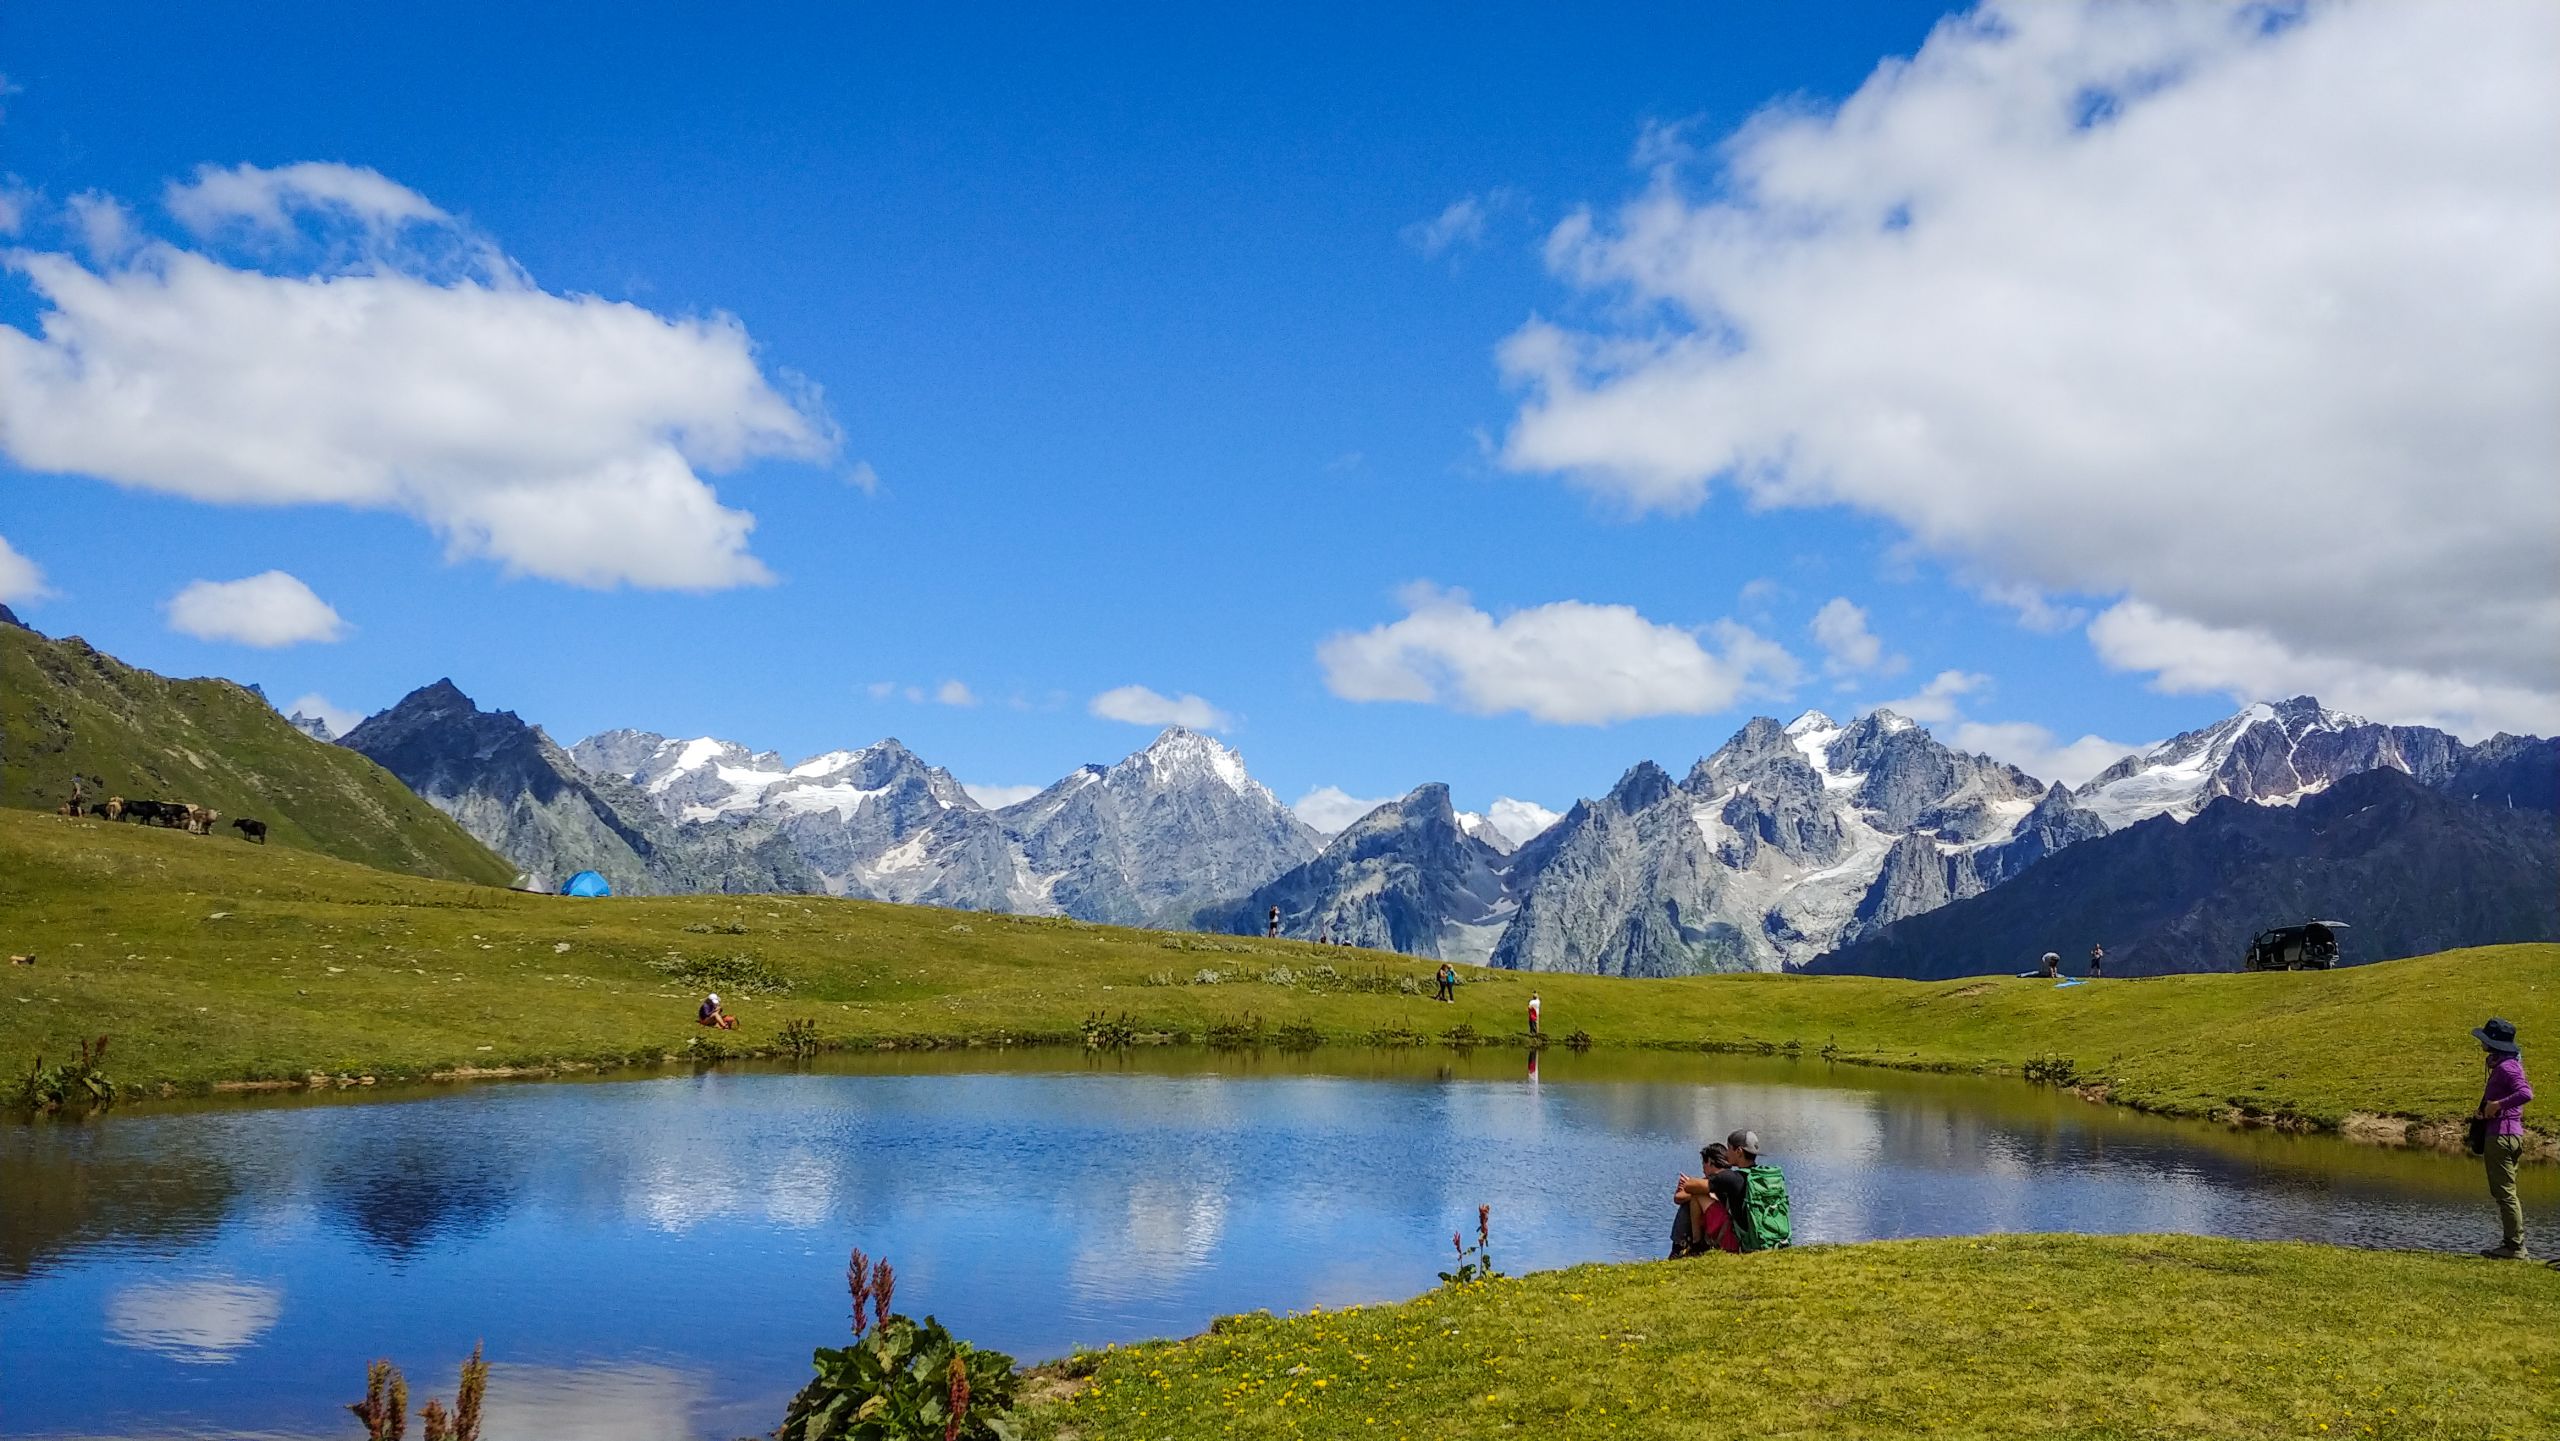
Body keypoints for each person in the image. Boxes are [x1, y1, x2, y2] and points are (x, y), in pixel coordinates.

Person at [2474, 1017, 2533, 1259]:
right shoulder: (2507, 1064)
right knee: (2506, 1191)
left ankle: (2515, 1247)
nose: (2481, 1043)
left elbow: (2526, 1093)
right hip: (2509, 1133)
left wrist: (2498, 1104)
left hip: (2501, 1135)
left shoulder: (2508, 1067)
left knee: (2505, 1193)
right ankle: (2512, 1244)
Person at [1678, 1129, 1793, 1251]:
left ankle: (1696, 1246)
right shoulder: (1764, 1176)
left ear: (1739, 1151)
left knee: (1698, 1195)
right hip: (1772, 1239)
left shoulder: (1731, 1178)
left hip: (1745, 1244)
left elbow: (1689, 1186)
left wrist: (1691, 1181)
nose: (1726, 1154)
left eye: (1729, 1149)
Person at [1669, 1143, 1742, 1257]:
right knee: (1692, 1199)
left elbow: (1687, 1193)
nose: (1702, 1167)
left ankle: (1691, 1246)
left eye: (1704, 1163)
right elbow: (1678, 1197)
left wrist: (1693, 1188)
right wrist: (1695, 1189)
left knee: (1695, 1197)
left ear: (1710, 1162)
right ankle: (1685, 1246)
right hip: (1719, 1229)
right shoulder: (1712, 1181)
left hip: (1724, 1232)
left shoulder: (1725, 1179)